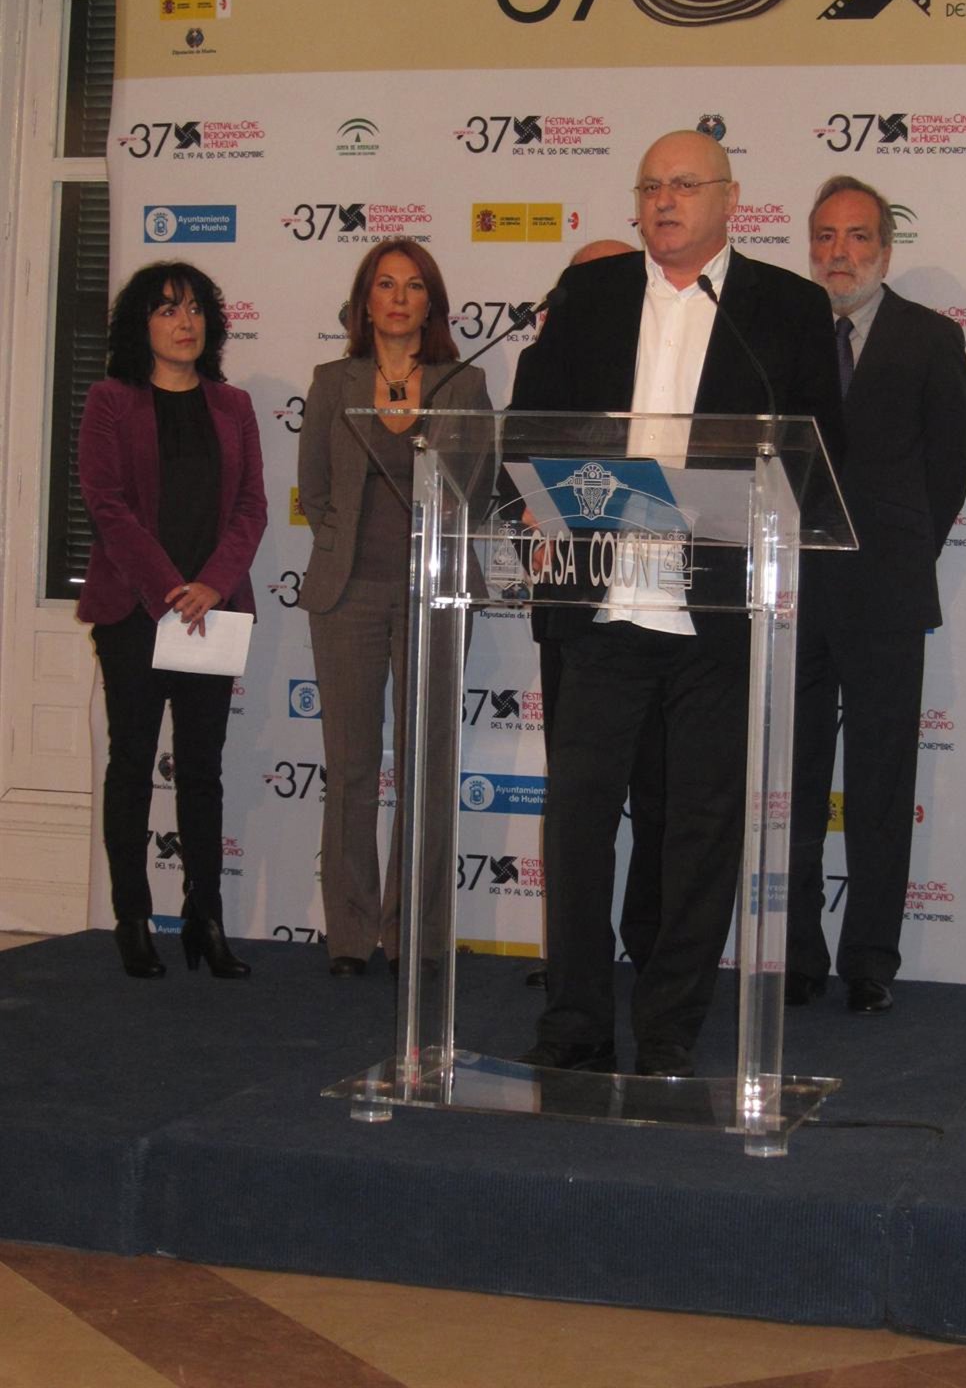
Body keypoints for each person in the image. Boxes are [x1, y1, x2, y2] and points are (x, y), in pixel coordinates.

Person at [509, 130, 843, 1077]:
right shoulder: (591, 296)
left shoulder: (786, 307)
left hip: (718, 611)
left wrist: (752, 513)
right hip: (603, 603)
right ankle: (575, 1021)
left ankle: (668, 1030)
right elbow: (527, 428)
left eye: (685, 185)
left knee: (700, 831)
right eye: (651, 185)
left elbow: (822, 455)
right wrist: (533, 503)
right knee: (579, 822)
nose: (664, 200)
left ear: (730, 199)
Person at [786, 175, 966, 1014]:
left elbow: (950, 464)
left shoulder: (930, 337)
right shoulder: (786, 336)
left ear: (885, 251)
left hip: (887, 595)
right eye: (826, 236)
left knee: (881, 784)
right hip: (793, 591)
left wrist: (900, 554)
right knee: (793, 785)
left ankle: (869, 960)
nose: (840, 252)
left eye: (857, 236)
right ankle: (797, 955)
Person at [298, 238, 493, 978]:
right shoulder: (332, 382)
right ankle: (350, 936)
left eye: (413, 286)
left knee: (426, 765)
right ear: (365, 301)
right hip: (347, 594)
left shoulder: (464, 385)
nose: (399, 298)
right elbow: (317, 491)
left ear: (431, 303)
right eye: (385, 284)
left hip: (435, 592)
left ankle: (413, 933)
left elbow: (480, 490)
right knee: (350, 765)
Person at [78, 261, 267, 979]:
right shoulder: (110, 401)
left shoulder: (234, 405)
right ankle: (132, 918)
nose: (184, 322)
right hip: (135, 611)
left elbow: (252, 507)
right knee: (131, 764)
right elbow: (108, 505)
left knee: (202, 772)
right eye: (166, 309)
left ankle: (204, 919)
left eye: (193, 309)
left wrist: (213, 584)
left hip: (212, 614)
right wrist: (169, 589)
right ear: (142, 325)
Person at [514, 238, 665, 989]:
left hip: (666, 594)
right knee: (580, 801)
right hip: (574, 600)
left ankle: (651, 946)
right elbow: (514, 460)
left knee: (663, 795)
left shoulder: (670, 357)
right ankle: (577, 958)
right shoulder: (542, 360)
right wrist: (537, 524)